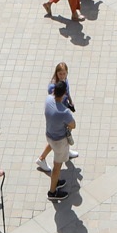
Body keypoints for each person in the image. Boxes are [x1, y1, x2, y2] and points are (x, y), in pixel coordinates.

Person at [41, 68, 77, 201]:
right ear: (63, 95)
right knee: (57, 167)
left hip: (49, 134)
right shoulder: (64, 112)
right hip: (59, 141)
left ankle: (55, 182)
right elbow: (73, 125)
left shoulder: (48, 100)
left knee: (57, 166)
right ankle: (52, 192)